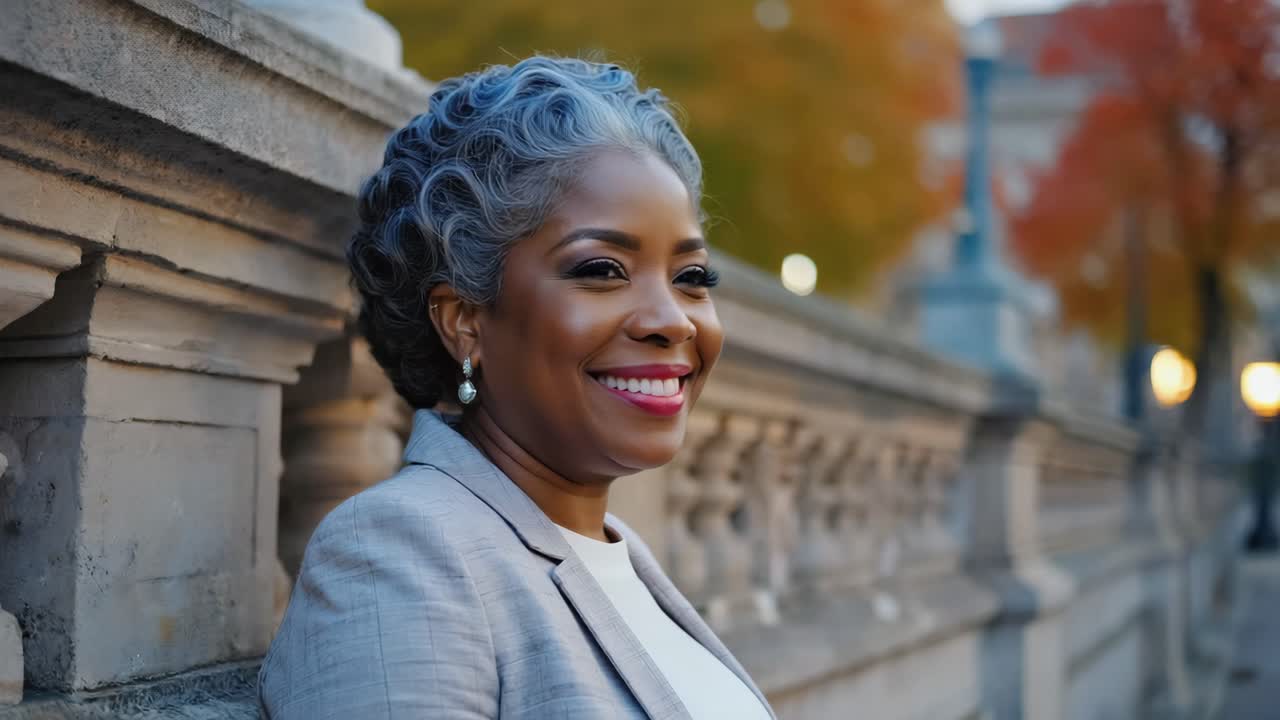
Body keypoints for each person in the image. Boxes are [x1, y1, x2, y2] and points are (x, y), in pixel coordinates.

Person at [257, 56, 775, 719]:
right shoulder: (397, 553)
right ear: (464, 320)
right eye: (603, 269)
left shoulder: (623, 560)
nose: (673, 319)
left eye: (692, 276)